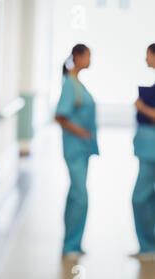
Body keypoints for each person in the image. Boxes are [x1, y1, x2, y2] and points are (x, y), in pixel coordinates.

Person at [55, 44, 99, 259]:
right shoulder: (70, 85)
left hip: (82, 150)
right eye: (89, 56)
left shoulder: (77, 83)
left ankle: (73, 243)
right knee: (80, 196)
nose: (91, 60)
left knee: (75, 194)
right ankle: (70, 245)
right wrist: (81, 132)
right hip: (75, 148)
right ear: (78, 57)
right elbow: (60, 116)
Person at [131, 43, 155, 261]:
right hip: (148, 149)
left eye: (148, 55)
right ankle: (149, 246)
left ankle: (149, 247)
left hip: (151, 152)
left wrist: (141, 108)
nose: (145, 59)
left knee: (140, 198)